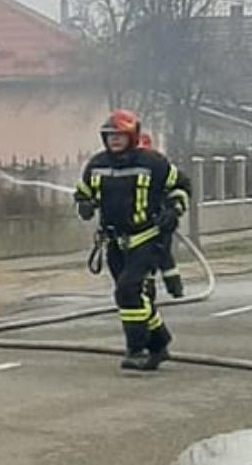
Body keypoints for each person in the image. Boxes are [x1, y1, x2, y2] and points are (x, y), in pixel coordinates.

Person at [75, 111, 191, 371]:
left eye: (120, 136)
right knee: (133, 296)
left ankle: (136, 349)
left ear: (132, 136)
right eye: (110, 136)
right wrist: (84, 204)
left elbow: (181, 186)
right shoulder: (97, 164)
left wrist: (174, 211)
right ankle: (160, 343)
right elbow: (83, 192)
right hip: (114, 241)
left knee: (127, 290)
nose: (115, 141)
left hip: (146, 237)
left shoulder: (153, 163)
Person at [138, 133, 185, 300]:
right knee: (150, 258)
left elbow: (179, 187)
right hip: (141, 224)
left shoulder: (158, 166)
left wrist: (173, 210)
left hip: (161, 220)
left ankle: (174, 287)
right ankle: (151, 290)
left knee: (163, 254)